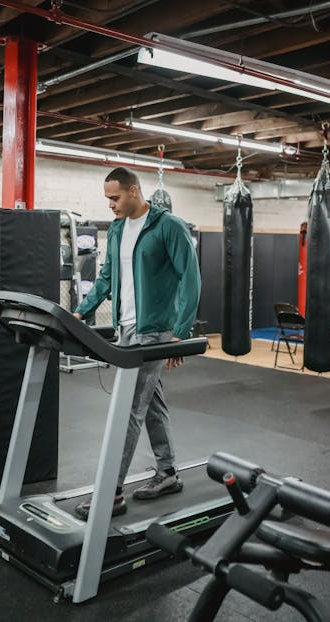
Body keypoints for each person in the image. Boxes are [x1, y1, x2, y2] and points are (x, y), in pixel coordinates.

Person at [73, 166, 201, 520]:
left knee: (129, 409)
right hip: (126, 328)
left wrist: (181, 331)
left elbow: (190, 277)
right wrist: (80, 312)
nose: (110, 205)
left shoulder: (167, 227)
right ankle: (168, 472)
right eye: (107, 199)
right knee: (151, 401)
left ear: (134, 191)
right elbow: (106, 277)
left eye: (114, 198)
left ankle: (111, 493)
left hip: (155, 330)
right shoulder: (116, 230)